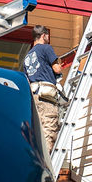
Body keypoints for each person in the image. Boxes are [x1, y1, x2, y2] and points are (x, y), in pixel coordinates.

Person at [23, 25, 63, 153]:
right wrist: (59, 63)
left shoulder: (27, 56)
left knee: (37, 130)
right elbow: (57, 69)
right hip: (46, 95)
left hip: (34, 96)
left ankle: (34, 157)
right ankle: (44, 164)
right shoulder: (46, 48)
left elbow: (27, 79)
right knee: (49, 129)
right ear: (44, 35)